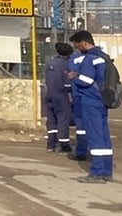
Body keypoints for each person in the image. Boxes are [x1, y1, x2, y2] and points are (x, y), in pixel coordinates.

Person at [69, 30, 113, 183]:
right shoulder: (103, 57)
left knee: (94, 137)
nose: (76, 47)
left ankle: (97, 172)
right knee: (104, 137)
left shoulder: (89, 58)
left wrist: (75, 76)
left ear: (83, 43)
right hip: (102, 101)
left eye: (76, 44)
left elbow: (86, 81)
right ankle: (107, 171)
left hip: (91, 101)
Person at [44, 43, 74, 154]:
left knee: (51, 119)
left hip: (49, 94)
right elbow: (67, 83)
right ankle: (63, 145)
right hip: (61, 95)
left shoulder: (50, 63)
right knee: (63, 119)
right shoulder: (66, 64)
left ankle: (51, 144)